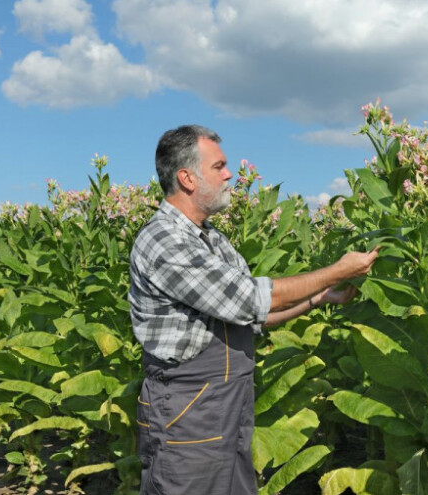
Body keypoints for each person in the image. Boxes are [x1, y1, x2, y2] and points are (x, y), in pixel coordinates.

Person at [129, 125, 380, 494]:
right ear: (187, 178)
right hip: (188, 412)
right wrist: (338, 270)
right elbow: (251, 297)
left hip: (228, 404)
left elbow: (249, 316)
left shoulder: (211, 238)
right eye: (219, 166)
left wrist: (318, 298)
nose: (230, 174)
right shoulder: (164, 239)